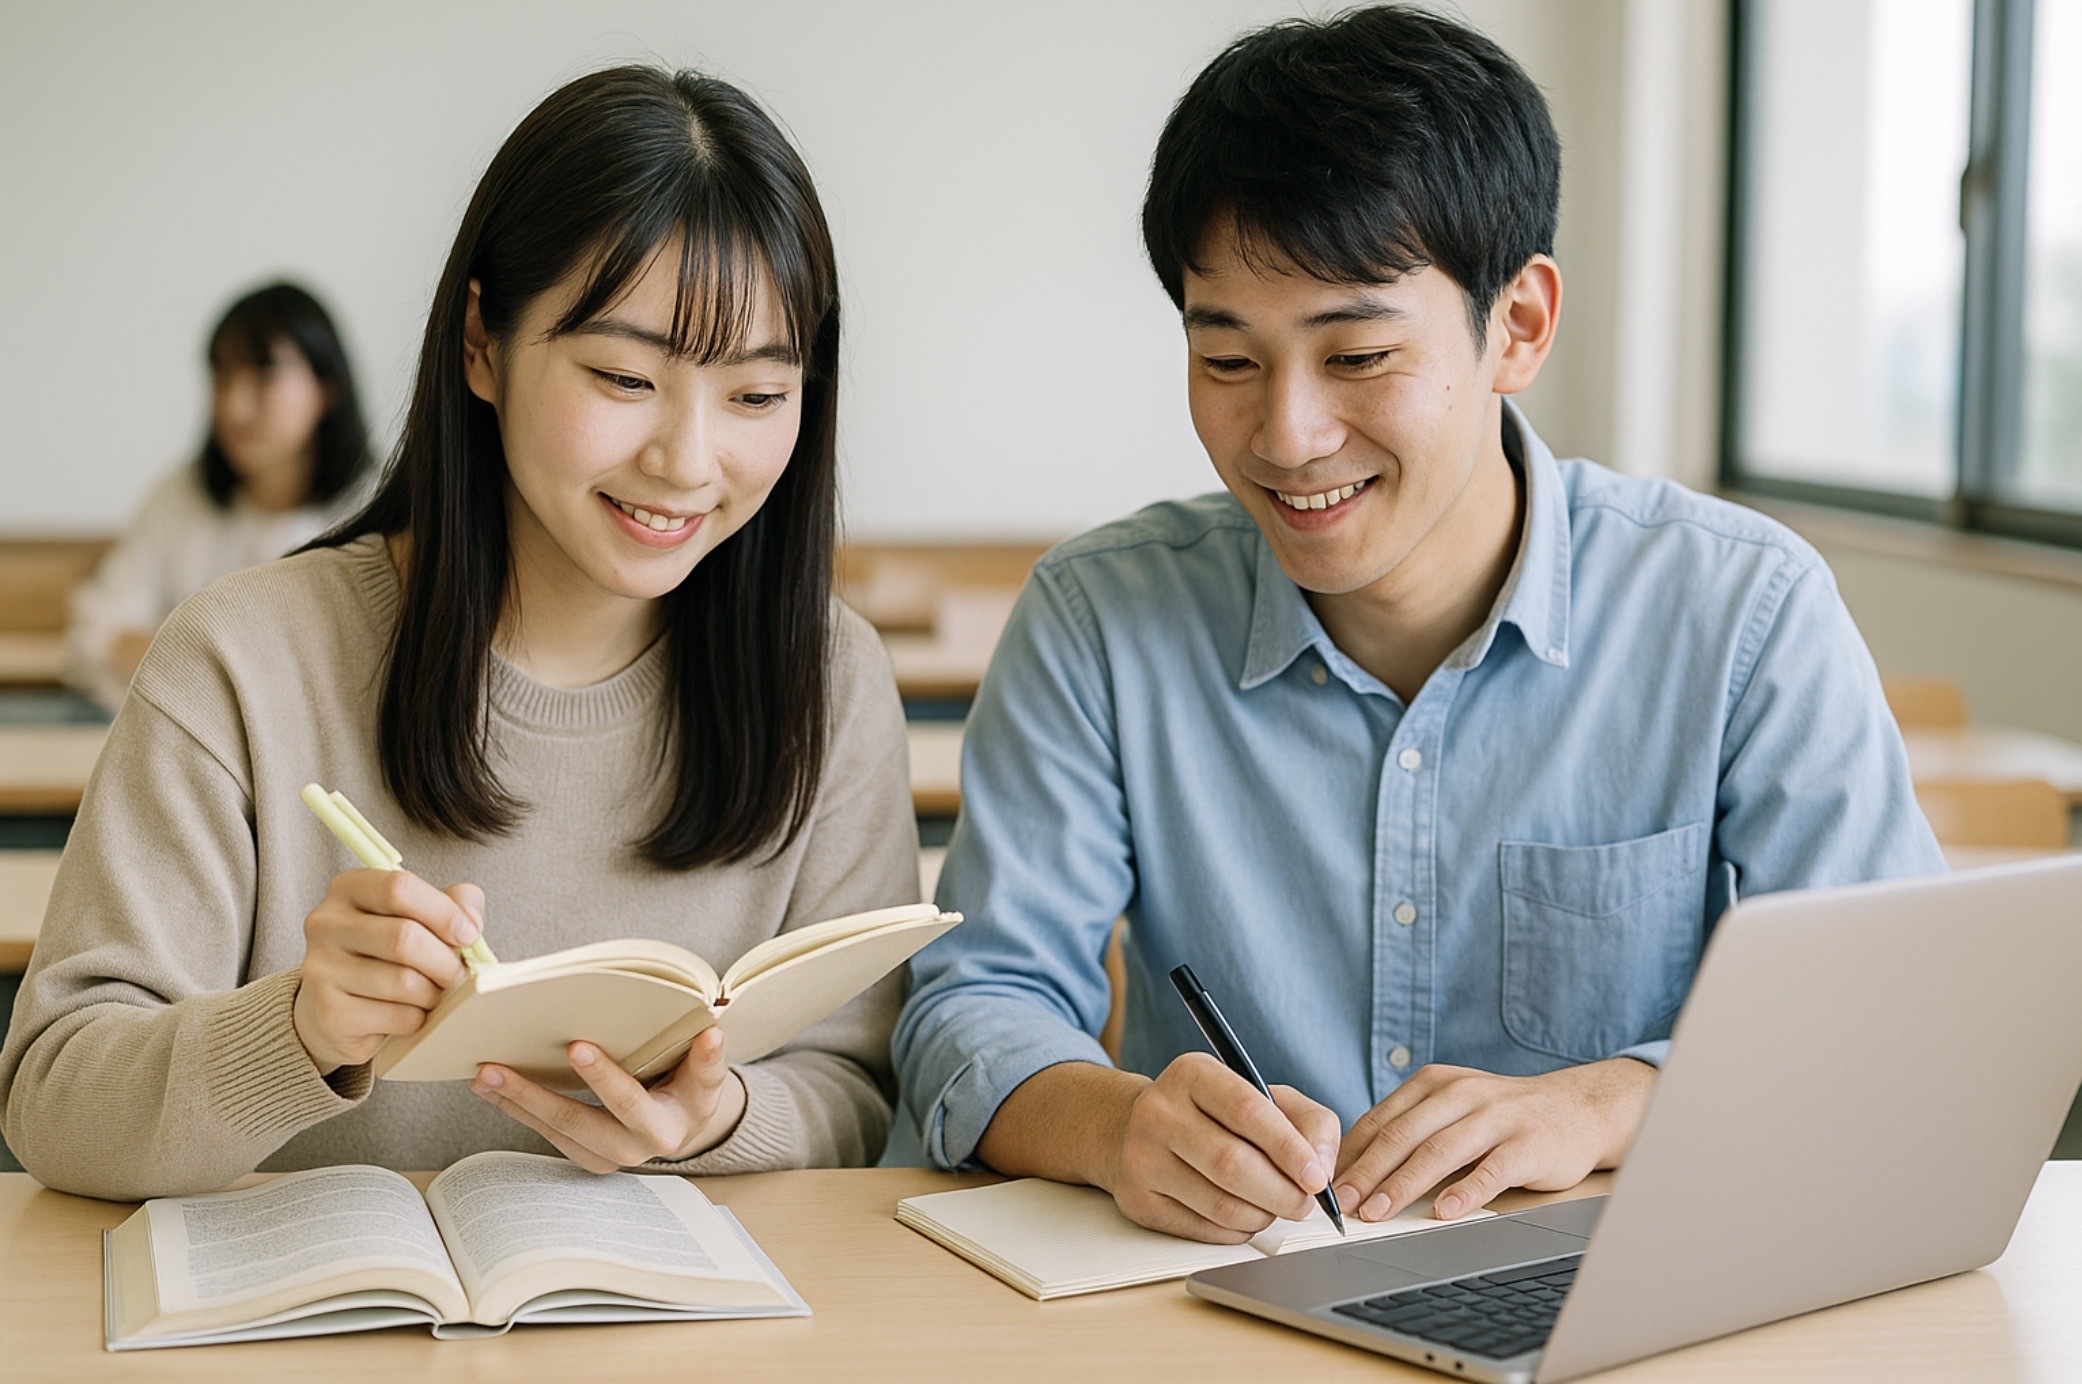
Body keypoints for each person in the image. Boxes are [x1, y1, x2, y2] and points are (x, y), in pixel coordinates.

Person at [890, 6, 1945, 1243]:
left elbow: (1898, 1023)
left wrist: (1616, 1099)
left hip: (1626, 1285)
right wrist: (1116, 1125)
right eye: (1228, 362)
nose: (1288, 436)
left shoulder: (1742, 614)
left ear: (1520, 325)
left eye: (1356, 358)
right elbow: (976, 1003)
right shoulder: (1101, 620)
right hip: (1221, 1292)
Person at [0, 66, 918, 1200]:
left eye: (757, 396)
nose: (686, 460)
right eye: (623, 376)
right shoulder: (242, 662)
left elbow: (853, 1084)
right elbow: (56, 1102)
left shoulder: (829, 681)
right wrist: (298, 1031)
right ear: (482, 341)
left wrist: (717, 1116)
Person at [64, 281, 375, 712]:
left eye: (264, 374)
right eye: (222, 376)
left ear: (326, 386)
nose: (234, 407)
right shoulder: (179, 497)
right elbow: (96, 632)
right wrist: (202, 671)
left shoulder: (379, 508)